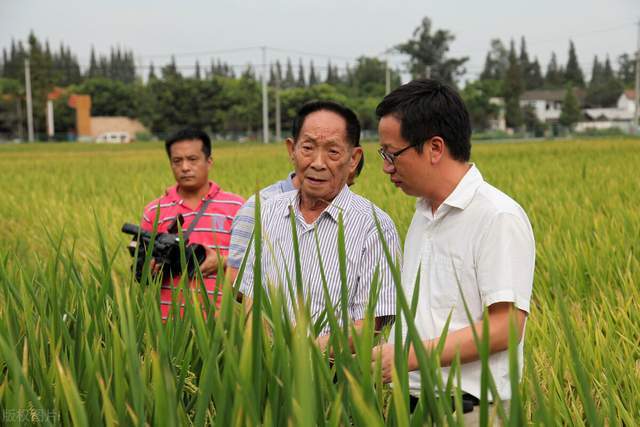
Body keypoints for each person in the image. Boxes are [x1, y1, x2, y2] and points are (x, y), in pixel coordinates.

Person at [371, 79, 535, 424]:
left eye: (392, 153)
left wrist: (407, 356)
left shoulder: (496, 216)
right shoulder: (422, 214)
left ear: (434, 148)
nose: (386, 166)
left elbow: (506, 327)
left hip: (469, 410)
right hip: (414, 402)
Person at [238, 100, 400, 341]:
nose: (317, 163)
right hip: (268, 370)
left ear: (354, 159)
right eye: (307, 148)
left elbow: (369, 325)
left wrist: (302, 355)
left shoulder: (375, 226)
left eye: (333, 151)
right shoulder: (268, 213)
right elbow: (251, 299)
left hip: (338, 373)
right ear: (291, 150)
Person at [140, 128, 244, 321]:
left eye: (192, 159)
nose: (185, 167)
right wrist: (150, 268)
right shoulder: (154, 211)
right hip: (167, 327)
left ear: (209, 161)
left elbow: (258, 263)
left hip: (222, 326)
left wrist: (223, 261)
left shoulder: (236, 207)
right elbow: (142, 273)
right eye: (177, 161)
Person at [227, 152, 365, 285]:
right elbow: (235, 279)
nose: (341, 191)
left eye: (348, 185)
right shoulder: (258, 207)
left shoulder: (354, 216)